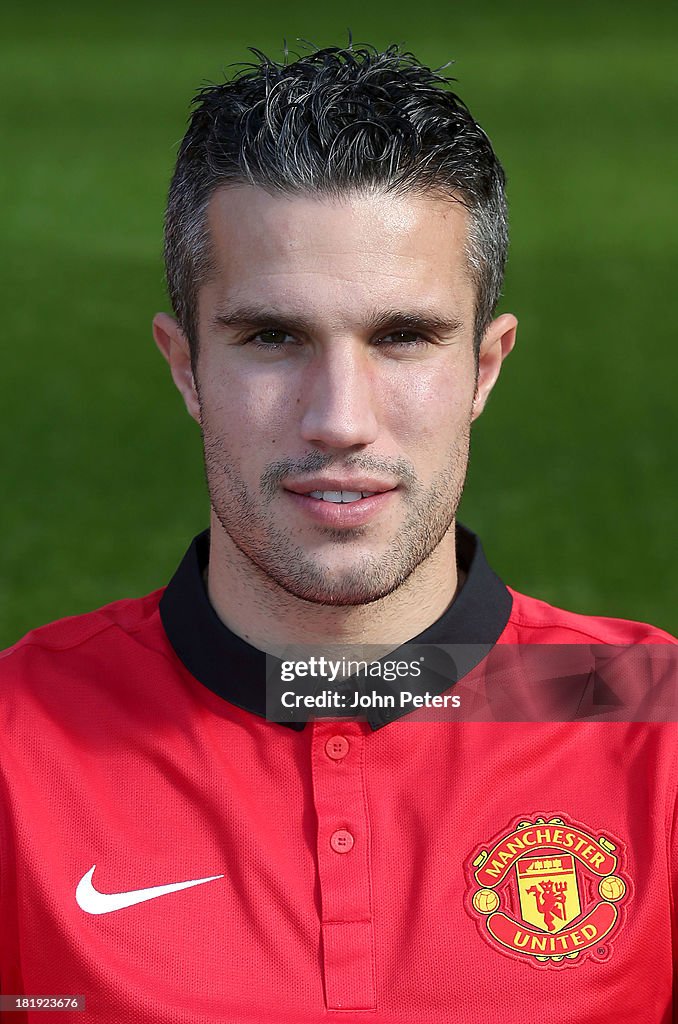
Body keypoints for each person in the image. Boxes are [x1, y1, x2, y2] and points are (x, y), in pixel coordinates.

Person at [0, 41, 675, 1024]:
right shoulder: (20, 741)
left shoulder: (652, 724)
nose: (339, 418)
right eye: (272, 337)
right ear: (185, 366)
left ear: (486, 366)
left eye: (403, 336)